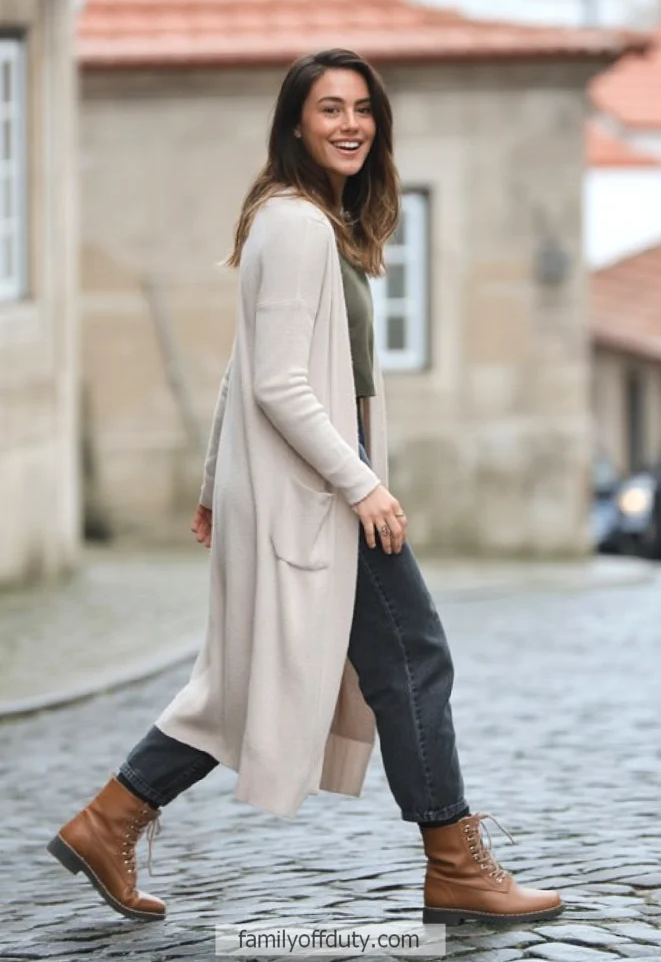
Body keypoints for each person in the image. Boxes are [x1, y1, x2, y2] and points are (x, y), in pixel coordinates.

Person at [47, 48, 563, 929]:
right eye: (329, 109)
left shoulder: (310, 220)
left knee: (257, 674)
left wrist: (217, 482)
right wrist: (362, 485)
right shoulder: (294, 225)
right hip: (317, 492)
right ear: (294, 124)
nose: (350, 123)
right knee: (414, 657)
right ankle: (452, 860)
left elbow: (242, 368)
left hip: (300, 485)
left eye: (362, 108)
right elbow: (276, 384)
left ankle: (111, 820)